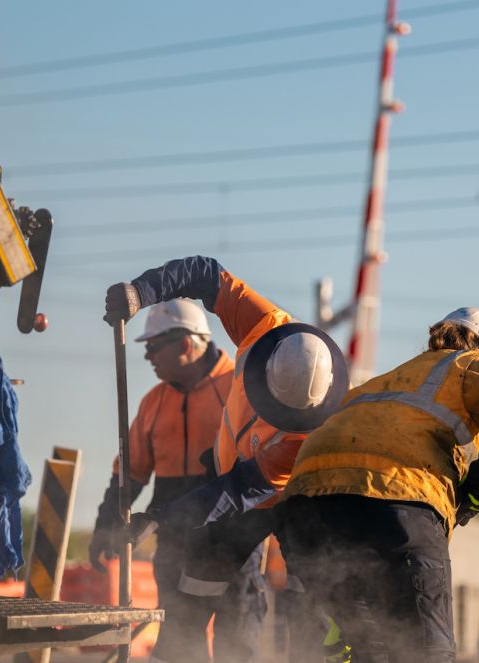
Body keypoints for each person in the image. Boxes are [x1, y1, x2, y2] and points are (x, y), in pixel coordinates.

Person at [274, 307, 479, 663]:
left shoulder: (382, 383)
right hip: (394, 503)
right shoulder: (467, 365)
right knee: (427, 653)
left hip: (303, 510)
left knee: (372, 650)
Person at [103, 256, 348, 663]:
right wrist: (141, 292)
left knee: (308, 610)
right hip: (228, 481)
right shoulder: (262, 324)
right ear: (265, 366)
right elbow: (203, 273)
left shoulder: (305, 437)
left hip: (295, 501)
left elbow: (240, 489)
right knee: (191, 599)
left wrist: (164, 515)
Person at [89, 298, 254, 663]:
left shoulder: (237, 390)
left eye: (152, 346)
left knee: (237, 635)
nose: (148, 356)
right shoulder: (153, 402)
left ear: (184, 344)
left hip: (234, 538)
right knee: (179, 637)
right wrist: (105, 525)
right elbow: (129, 475)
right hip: (174, 540)